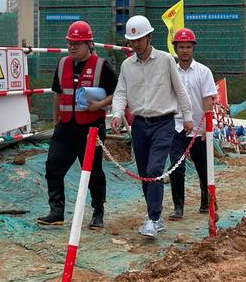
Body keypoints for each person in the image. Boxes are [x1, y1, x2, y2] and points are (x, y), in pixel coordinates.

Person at [111, 15, 192, 238]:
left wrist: (188, 117)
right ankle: (153, 214)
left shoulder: (166, 60)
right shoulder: (127, 66)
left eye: (140, 39)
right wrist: (117, 114)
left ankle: (154, 219)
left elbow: (180, 90)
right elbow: (120, 93)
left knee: (155, 170)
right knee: (144, 173)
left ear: (149, 37)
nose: (136, 44)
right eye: (131, 40)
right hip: (139, 126)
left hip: (163, 123)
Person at [37, 20, 118, 229]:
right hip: (65, 127)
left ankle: (98, 210)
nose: (72, 47)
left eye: (77, 44)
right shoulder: (63, 64)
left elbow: (117, 93)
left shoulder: (101, 66)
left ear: (88, 44)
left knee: (92, 171)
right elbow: (57, 93)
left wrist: (98, 105)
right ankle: (56, 211)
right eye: (70, 43)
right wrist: (56, 122)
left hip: (91, 128)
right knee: (53, 167)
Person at [168, 28, 217, 221]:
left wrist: (206, 126)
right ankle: (178, 206)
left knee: (204, 167)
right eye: (181, 47)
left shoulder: (203, 72)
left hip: (198, 129)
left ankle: (207, 200)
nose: (185, 50)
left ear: (193, 48)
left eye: (188, 47)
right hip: (176, 126)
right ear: (176, 49)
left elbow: (208, 100)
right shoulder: (170, 71)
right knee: (176, 167)